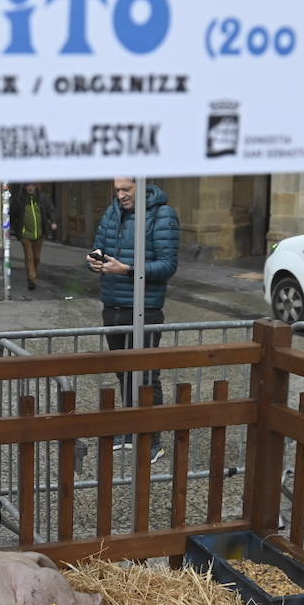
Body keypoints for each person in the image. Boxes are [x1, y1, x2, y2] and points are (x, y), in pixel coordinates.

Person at [86, 176, 180, 462]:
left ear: (141, 185)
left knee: (146, 373)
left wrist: (126, 269)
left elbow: (167, 265)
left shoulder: (163, 215)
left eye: (126, 189)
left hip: (145, 307)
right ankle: (130, 429)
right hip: (112, 304)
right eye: (117, 190)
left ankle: (152, 439)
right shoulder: (112, 212)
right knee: (123, 370)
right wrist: (93, 260)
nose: (121, 195)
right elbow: (98, 246)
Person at [9, 182, 57, 291]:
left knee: (36, 257)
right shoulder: (19, 200)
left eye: (31, 186)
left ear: (35, 187)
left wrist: (53, 222)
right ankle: (32, 279)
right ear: (25, 188)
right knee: (29, 257)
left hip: (39, 234)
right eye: (27, 186)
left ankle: (33, 273)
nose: (30, 188)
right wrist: (14, 228)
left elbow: (51, 210)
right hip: (25, 234)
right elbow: (12, 214)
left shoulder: (42, 198)